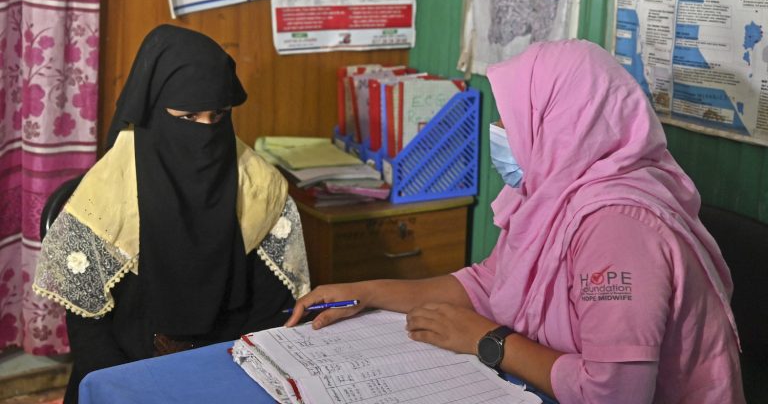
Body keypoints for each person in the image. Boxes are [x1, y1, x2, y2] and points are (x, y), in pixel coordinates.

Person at [285, 40, 745, 403]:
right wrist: (368, 292)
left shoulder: (619, 229)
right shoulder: (554, 194)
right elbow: (488, 283)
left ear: (563, 125)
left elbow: (615, 394)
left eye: (516, 119)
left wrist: (488, 340)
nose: (502, 131)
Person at [34, 24, 310, 403]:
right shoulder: (108, 193)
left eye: (219, 117)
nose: (206, 132)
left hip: (228, 364)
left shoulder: (258, 185)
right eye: (187, 118)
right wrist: (137, 386)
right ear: (154, 111)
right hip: (126, 369)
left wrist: (227, 371)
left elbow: (270, 309)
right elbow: (90, 331)